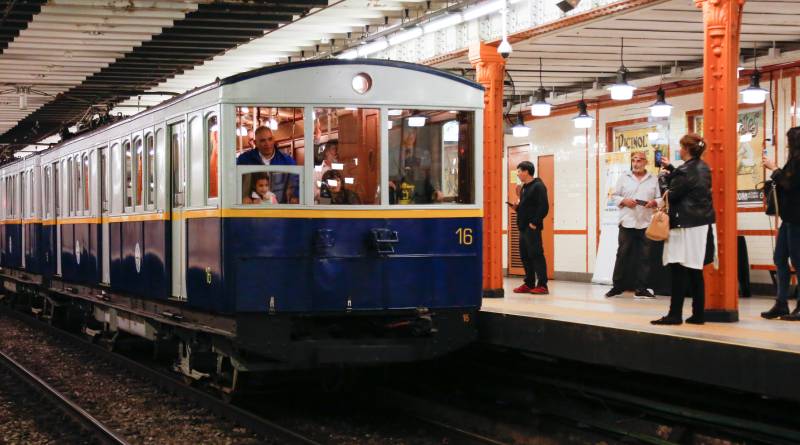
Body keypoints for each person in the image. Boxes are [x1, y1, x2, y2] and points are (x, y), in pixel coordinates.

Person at [651, 134, 716, 325]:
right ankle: (698, 314)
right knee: (695, 270)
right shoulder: (704, 168)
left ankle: (674, 314)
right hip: (701, 225)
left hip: (683, 225)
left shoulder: (684, 171)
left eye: (681, 147)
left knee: (677, 269)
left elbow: (670, 195)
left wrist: (663, 178)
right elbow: (689, 182)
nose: (679, 150)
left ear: (686, 149)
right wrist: (672, 168)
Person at [606, 151, 661, 299]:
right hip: (627, 221)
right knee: (622, 254)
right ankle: (617, 287)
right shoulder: (624, 177)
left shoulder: (653, 179)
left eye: (640, 160)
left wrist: (654, 202)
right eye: (634, 160)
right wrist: (624, 201)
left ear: (646, 162)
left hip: (645, 222)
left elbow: (659, 198)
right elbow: (614, 195)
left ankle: (641, 288)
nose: (636, 163)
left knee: (645, 256)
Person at [761, 126, 800, 320]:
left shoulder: (798, 162)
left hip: (797, 219)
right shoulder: (793, 161)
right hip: (789, 218)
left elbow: (790, 184)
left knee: (798, 261)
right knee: (780, 258)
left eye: (789, 141)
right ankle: (781, 303)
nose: (787, 145)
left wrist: (774, 168)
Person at [511, 161, 550, 295]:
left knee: (536, 255)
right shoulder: (524, 188)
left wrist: (534, 222)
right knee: (525, 256)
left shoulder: (538, 186)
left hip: (532, 227)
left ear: (527, 171)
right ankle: (529, 283)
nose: (518, 174)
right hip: (522, 227)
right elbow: (526, 206)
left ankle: (543, 285)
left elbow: (544, 207)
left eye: (519, 171)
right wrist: (517, 208)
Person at [236, 126, 298, 203]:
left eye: (270, 139)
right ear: (255, 143)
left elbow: (296, 184)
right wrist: (243, 198)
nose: (267, 143)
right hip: (253, 209)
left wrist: (295, 197)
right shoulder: (244, 160)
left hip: (279, 210)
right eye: (262, 141)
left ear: (274, 139)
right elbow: (235, 183)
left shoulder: (287, 161)